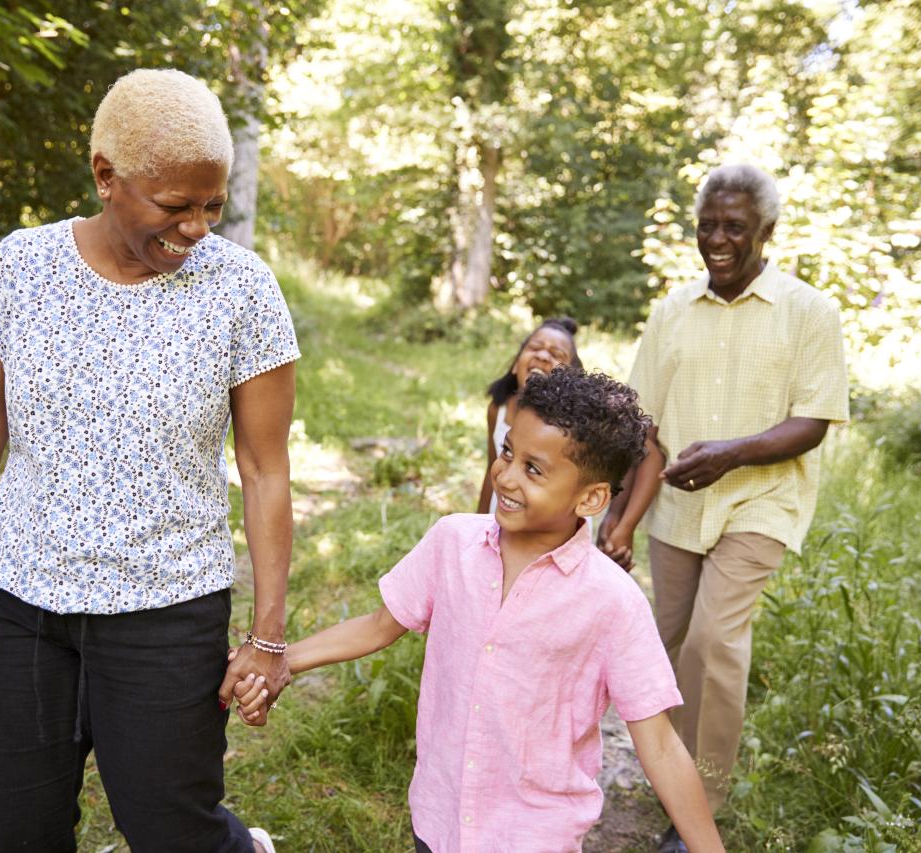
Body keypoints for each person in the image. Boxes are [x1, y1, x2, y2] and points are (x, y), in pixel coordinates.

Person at [0, 69, 298, 853]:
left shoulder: (242, 291)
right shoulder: (23, 266)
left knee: (174, 832)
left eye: (213, 204)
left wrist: (267, 636)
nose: (199, 227)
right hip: (19, 606)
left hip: (167, 611)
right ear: (106, 175)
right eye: (176, 206)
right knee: (19, 834)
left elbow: (266, 469)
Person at [236, 368, 726, 853]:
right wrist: (278, 660)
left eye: (534, 469)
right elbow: (379, 625)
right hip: (439, 816)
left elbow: (659, 744)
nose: (507, 476)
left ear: (592, 497)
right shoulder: (453, 542)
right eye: (508, 452)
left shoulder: (613, 601)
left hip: (535, 835)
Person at [609, 164, 849, 852]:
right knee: (669, 645)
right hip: (678, 509)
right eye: (708, 224)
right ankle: (674, 780)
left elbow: (814, 420)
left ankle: (700, 813)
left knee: (715, 642)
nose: (718, 238)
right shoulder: (671, 312)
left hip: (761, 500)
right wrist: (618, 512)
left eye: (734, 226)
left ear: (766, 231)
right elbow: (642, 425)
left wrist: (732, 454)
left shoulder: (809, 311)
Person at [476, 317, 582, 515]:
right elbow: (492, 467)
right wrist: (477, 522)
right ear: (516, 363)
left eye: (556, 354)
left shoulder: (573, 427)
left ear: (571, 377)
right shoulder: (498, 409)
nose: (542, 355)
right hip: (503, 510)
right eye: (535, 347)